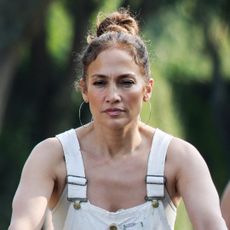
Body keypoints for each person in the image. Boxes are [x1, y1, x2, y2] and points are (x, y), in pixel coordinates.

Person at [8, 9, 227, 230]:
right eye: (100, 83)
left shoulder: (180, 158)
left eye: (126, 82)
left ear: (147, 89)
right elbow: (22, 224)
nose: (113, 96)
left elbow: (212, 224)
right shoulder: (52, 156)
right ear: (84, 89)